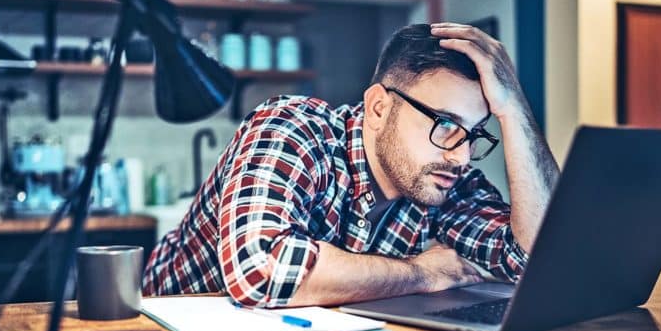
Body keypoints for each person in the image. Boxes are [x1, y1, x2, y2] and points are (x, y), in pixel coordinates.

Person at [142, 23, 560, 308]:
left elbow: (538, 261)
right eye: (446, 124)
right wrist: (419, 273)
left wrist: (515, 110)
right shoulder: (294, 128)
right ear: (378, 108)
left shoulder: (446, 179)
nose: (462, 155)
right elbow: (262, 269)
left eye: (474, 134)